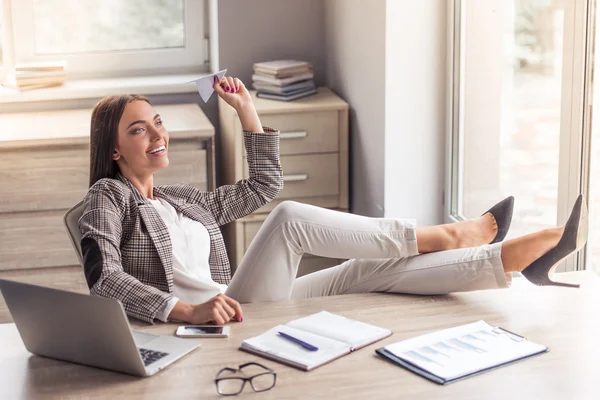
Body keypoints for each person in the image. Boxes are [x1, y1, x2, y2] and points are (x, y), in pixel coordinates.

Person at [79, 75, 588, 325]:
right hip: (208, 321)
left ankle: (511, 258)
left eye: (158, 123)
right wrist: (186, 312)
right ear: (116, 149)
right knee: (290, 220)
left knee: (366, 272)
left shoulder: (182, 200)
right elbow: (104, 279)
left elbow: (259, 187)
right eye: (139, 130)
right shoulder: (110, 196)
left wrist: (247, 111)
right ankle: (453, 233)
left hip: (235, 299)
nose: (156, 135)